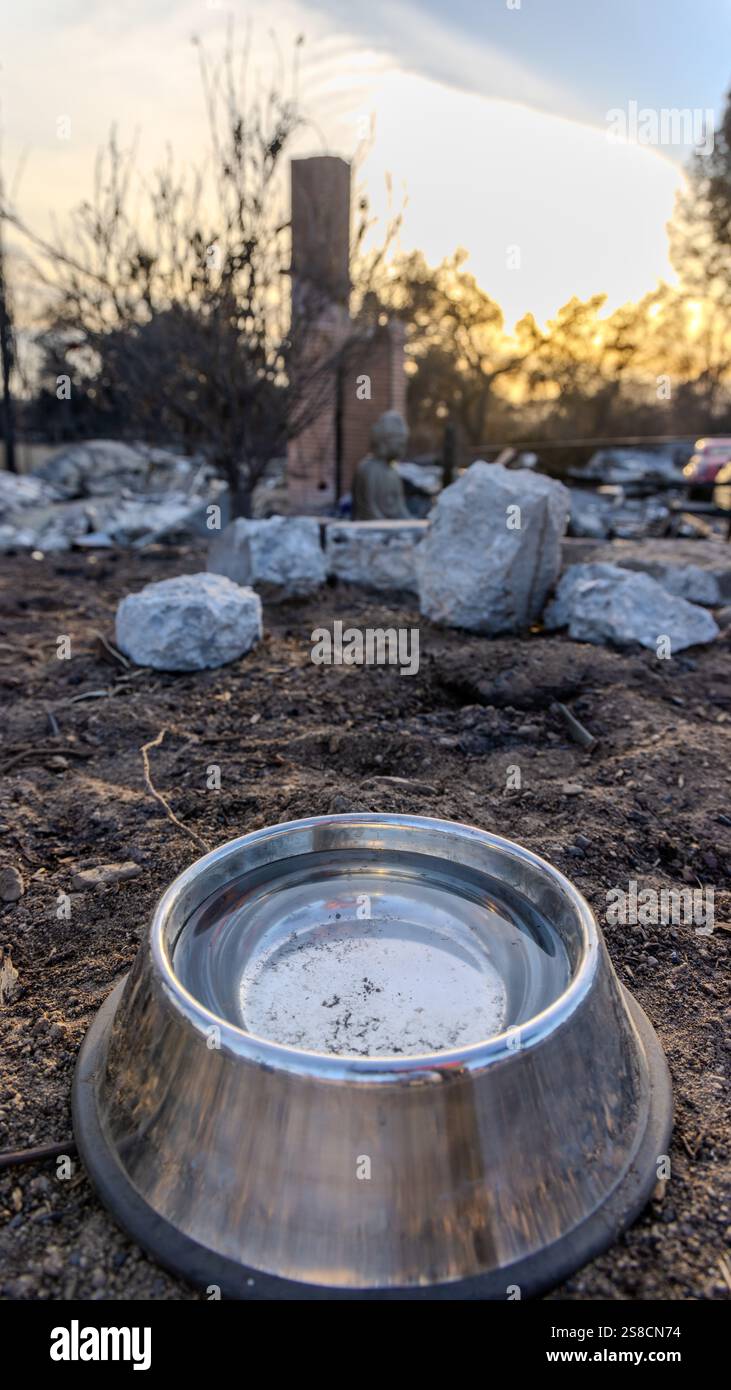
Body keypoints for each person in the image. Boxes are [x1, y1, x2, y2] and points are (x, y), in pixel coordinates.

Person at [352, 410, 411, 520]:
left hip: (391, 529)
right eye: (399, 443)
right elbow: (369, 510)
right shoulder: (367, 469)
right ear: (384, 441)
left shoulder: (393, 472)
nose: (402, 447)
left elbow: (400, 508)